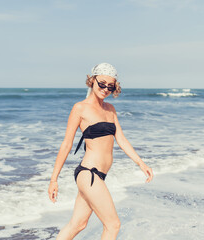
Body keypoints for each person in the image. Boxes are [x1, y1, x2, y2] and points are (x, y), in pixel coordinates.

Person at [48, 63, 153, 240]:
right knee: (113, 225)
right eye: (102, 83)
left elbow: (121, 139)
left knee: (78, 224)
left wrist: (141, 163)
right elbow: (66, 145)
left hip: (99, 175)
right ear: (92, 80)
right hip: (89, 174)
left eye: (110, 86)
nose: (105, 89)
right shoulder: (80, 108)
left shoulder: (110, 110)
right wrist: (53, 179)